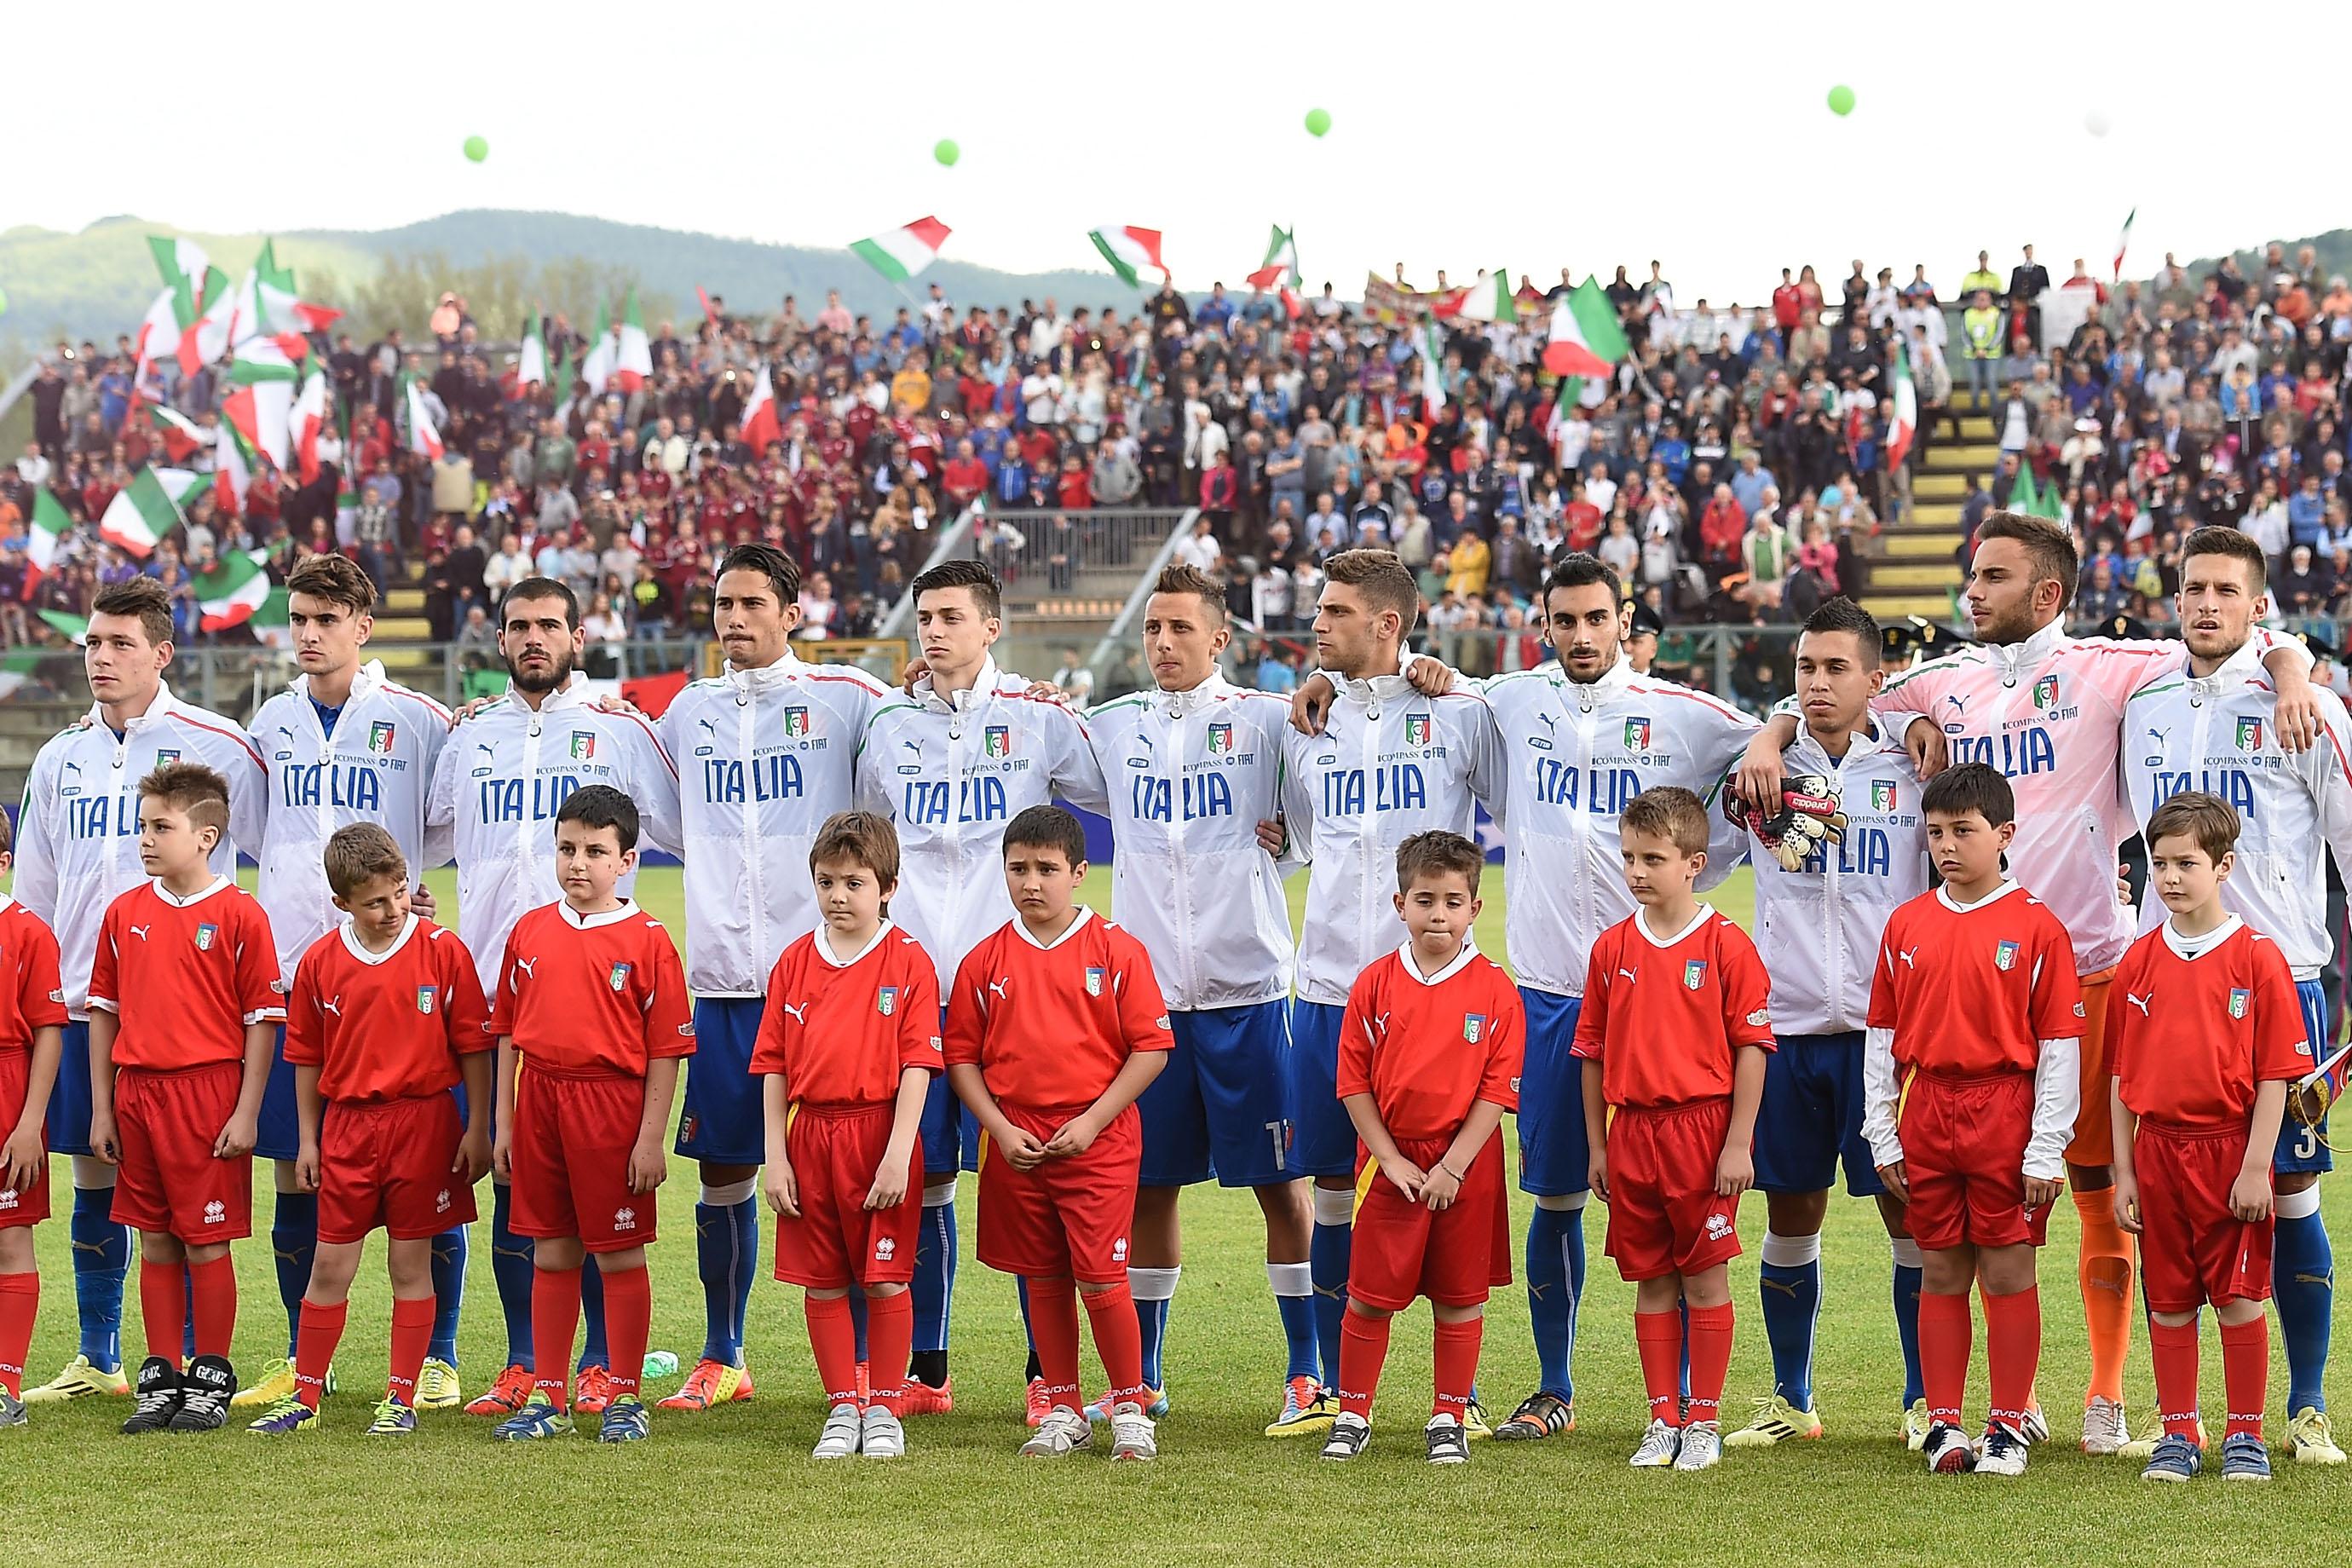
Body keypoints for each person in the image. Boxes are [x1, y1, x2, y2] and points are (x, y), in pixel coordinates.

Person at [1737, 510, 2319, 1453]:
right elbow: (1848, 690)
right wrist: (1771, 731)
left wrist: (2290, 663)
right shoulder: (1945, 680)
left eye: (1993, 577)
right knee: (1976, 1207)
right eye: (1973, 572)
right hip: (1964, 982)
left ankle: (2104, 1395)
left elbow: (2228, 641)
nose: (1972, 590)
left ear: (2046, 593)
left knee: (2092, 1190)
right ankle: (1985, 1401)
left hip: (2089, 971)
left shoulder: (2112, 667)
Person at [2117, 524, 2352, 1465]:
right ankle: (2177, 1421)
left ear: (2260, 605)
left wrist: (2292, 669)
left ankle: (2302, 1406)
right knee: (2168, 1197)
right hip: (2166, 981)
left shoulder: (2310, 704)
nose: (2206, 603)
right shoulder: (2145, 701)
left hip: (2283, 981)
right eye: (2192, 588)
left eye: (2226, 589)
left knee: (2285, 1194)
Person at [856, 559, 1109, 1421]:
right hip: (916, 993)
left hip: (1018, 992)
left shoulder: (1038, 718)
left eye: (951, 616)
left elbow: (1120, 795)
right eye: (925, 616)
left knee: (1035, 1178)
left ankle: (1049, 1374)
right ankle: (928, 1368)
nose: (933, 630)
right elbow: (868, 842)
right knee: (923, 1180)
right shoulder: (889, 724)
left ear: (991, 626)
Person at [425, 579, 683, 1421]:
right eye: (518, 627)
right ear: (499, 639)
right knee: (518, 1198)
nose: (533, 639)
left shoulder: (620, 731)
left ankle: (608, 1368)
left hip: (602, 1005)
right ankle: (524, 1364)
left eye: (548, 626)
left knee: (604, 1224)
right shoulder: (469, 738)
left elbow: (685, 825)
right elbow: (429, 834)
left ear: (578, 634)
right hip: (503, 994)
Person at [16, 579, 267, 1407]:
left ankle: (198, 1362)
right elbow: (40, 895)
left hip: (190, 1022)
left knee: (188, 1200)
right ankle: (100, 1355)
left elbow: (285, 846)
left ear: (162, 653)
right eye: (92, 642)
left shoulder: (220, 743)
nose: (100, 656)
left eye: (120, 643)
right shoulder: (59, 756)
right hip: (90, 1006)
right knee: (98, 1178)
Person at [655, 545, 893, 1415]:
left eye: (752, 603)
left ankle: (870, 1366)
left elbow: (903, 776)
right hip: (723, 980)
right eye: (723, 603)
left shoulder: (848, 700)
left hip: (831, 980)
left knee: (853, 1175)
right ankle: (724, 1354)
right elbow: (659, 812)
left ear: (792, 612)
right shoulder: (688, 711)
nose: (733, 618)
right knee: (725, 1173)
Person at [1078, 564, 1313, 1429]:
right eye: (1152, 629)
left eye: (1181, 629)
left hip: (1248, 993)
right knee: (1149, 1187)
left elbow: (1311, 822)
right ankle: (1143, 1374)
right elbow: (1036, 745)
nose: (1163, 644)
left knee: (1281, 1185)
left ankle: (1305, 1369)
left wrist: (1285, 842)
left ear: (1219, 639)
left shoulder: (1265, 722)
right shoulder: (1111, 727)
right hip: (1147, 1009)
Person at [1275, 549, 1502, 1433]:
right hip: (1332, 987)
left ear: (1389, 624)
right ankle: (1334, 1384)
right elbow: (1292, 839)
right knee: (1337, 1186)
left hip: (1440, 995)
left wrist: (1443, 674)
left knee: (1450, 1190)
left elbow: (1513, 791)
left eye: (1333, 612)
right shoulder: (1307, 721)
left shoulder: (1455, 711)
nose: (1318, 625)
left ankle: (1461, 1395)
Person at [238, 554, 462, 1413]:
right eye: (298, 617)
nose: (307, 633)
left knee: (426, 1177)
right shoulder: (271, 721)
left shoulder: (418, 720)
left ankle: (437, 1357)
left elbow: (446, 825)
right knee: (299, 1175)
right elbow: (261, 831)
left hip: (401, 973)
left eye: (325, 618)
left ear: (362, 626)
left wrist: (408, 901)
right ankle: (302, 1358)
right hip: (303, 974)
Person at [1724, 598, 1934, 1450]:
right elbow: (1697, 858)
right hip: (1790, 1030)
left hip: (1891, 1038)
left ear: (1876, 680)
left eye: (1836, 668)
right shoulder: (1764, 771)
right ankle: (1791, 1398)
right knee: (1790, 1214)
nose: (1816, 682)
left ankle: (1927, 1399)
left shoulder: (1915, 768)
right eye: (1806, 667)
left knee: (1909, 1213)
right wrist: (1764, 740)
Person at [1863, 764, 2082, 1477]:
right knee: (1941, 1270)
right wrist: (1881, 1128)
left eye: (1963, 831)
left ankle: (2009, 1424)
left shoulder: (2038, 927)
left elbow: (2058, 1048)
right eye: (1935, 833)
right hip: (1927, 1112)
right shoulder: (1907, 923)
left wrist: (2046, 1147)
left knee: (2009, 1270)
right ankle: (1947, 1423)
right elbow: (1882, 1035)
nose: (1947, 845)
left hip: (2005, 1113)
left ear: (2005, 834)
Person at [245, 825, 491, 1436]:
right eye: (375, 901)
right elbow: (305, 1059)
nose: (392, 909)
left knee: (411, 1264)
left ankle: (400, 1400)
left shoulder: (443, 951)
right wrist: (308, 1139)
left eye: (399, 893)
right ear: (342, 904)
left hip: (424, 1124)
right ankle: (304, 1399)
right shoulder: (323, 964)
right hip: (349, 1129)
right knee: (331, 1266)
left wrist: (478, 1126)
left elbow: (473, 1051)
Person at [943, 805, 1172, 1460]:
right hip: (1017, 1141)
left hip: (1097, 1138)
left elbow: (1151, 1048)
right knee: (1043, 1277)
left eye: (1047, 869)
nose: (1031, 882)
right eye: (1018, 869)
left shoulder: (1116, 950)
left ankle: (1130, 1404)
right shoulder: (986, 961)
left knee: (1102, 1278)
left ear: (1079, 873)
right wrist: (998, 1128)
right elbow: (962, 1058)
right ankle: (1064, 1408)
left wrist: (1094, 1120)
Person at [485, 786, 693, 1444]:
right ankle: (548, 1395)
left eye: (596, 852)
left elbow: (666, 1050)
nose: (579, 864)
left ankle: (624, 1394)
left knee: (619, 1255)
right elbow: (507, 1034)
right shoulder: (531, 930)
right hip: (541, 1102)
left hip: (611, 1109)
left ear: (627, 859)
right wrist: (504, 1123)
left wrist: (650, 1140)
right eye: (567, 848)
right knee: (551, 1251)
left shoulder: (650, 941)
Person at [1573, 787, 1772, 1472]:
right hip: (1633, 1135)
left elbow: (1751, 1047)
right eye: (1628, 856)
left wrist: (1738, 1141)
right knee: (1651, 1280)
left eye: (1652, 858)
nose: (1635, 871)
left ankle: (1705, 1420)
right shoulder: (1611, 949)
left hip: (1702, 1131)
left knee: (1705, 1280)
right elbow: (1592, 1052)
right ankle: (1663, 1418)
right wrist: (1599, 1144)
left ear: (1694, 863)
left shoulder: (1725, 945)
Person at [2107, 793, 2303, 1483]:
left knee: (2240, 1295)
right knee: (2168, 1298)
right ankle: (2179, 1434)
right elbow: (2120, 1077)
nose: (2169, 878)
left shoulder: (2258, 958)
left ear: (2223, 866)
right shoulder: (2139, 962)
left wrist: (2257, 1168)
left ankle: (2245, 1435)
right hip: (2158, 1151)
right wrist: (2124, 1173)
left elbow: (2276, 1076)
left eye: (2186, 863)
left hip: (2230, 1150)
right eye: (2158, 863)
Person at [88, 762, 284, 1434]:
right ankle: (161, 1376)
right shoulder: (124, 913)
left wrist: (247, 1110)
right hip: (137, 1093)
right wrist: (102, 1106)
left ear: (205, 835)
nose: (145, 839)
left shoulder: (239, 914)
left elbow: (261, 1022)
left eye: (160, 827)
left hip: (208, 1094)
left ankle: (210, 1376)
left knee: (205, 1243)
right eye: (142, 826)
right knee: (156, 1241)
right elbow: (104, 1014)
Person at [1317, 831, 1521, 1466]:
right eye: (1425, 899)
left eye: (1453, 901)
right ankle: (1353, 1411)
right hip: (1390, 1163)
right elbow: (1353, 1083)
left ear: (1474, 910)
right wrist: (1394, 1158)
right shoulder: (1375, 984)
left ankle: (1449, 1416)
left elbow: (1497, 1089)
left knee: (1460, 1298)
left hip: (1467, 1165)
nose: (1439, 914)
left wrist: (1453, 1166)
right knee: (1369, 1295)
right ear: (1399, 903)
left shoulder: (1495, 990)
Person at [754, 812, 940, 1460]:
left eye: (854, 883)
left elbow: (918, 1066)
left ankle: (885, 1407)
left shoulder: (910, 961)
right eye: (826, 881)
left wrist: (896, 1154)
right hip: (812, 1138)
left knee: (886, 1279)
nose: (838, 896)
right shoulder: (794, 962)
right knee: (824, 1280)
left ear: (886, 886)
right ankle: (841, 1408)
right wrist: (774, 1157)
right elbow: (774, 1067)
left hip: (880, 1138)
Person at [0, 815, 67, 1427]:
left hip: (8, 1093)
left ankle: (6, 1387)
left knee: (10, 1239)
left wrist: (29, 1124)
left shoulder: (27, 932)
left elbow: (48, 1029)